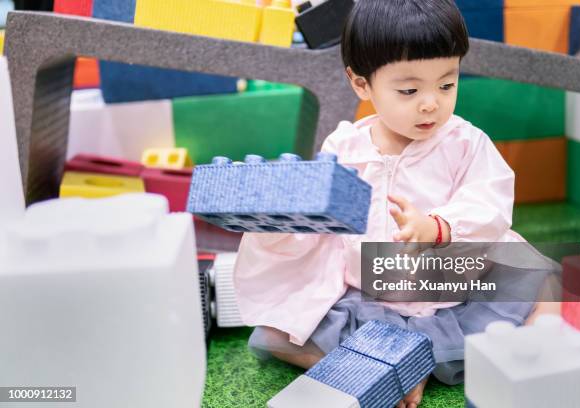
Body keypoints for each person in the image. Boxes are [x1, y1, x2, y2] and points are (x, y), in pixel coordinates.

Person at [234, 1, 557, 406]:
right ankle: (382, 370)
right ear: (362, 85)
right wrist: (280, 226)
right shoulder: (344, 147)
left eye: (446, 84)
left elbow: (489, 202)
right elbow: (323, 222)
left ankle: (530, 359)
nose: (430, 103)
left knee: (542, 280)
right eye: (409, 90)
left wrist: (439, 226)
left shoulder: (464, 142)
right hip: (369, 297)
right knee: (276, 335)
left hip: (452, 292)